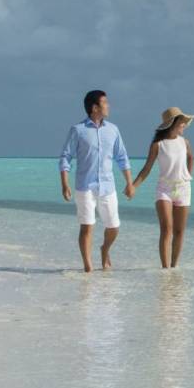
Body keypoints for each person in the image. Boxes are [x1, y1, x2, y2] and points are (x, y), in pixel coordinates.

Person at [56, 88, 135, 272]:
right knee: (87, 226)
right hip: (85, 187)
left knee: (114, 226)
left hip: (108, 186)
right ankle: (88, 267)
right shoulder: (78, 130)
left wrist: (129, 183)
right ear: (94, 107)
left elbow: (122, 157)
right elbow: (65, 157)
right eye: (105, 103)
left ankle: (105, 249)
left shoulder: (113, 130)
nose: (108, 106)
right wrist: (64, 184)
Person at [132, 106, 194, 269]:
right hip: (164, 189)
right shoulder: (158, 144)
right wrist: (133, 186)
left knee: (180, 231)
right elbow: (147, 168)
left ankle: (174, 268)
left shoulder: (185, 142)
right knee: (167, 229)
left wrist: (188, 175)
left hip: (183, 189)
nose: (184, 125)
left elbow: (190, 157)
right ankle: (165, 270)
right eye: (182, 122)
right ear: (173, 123)